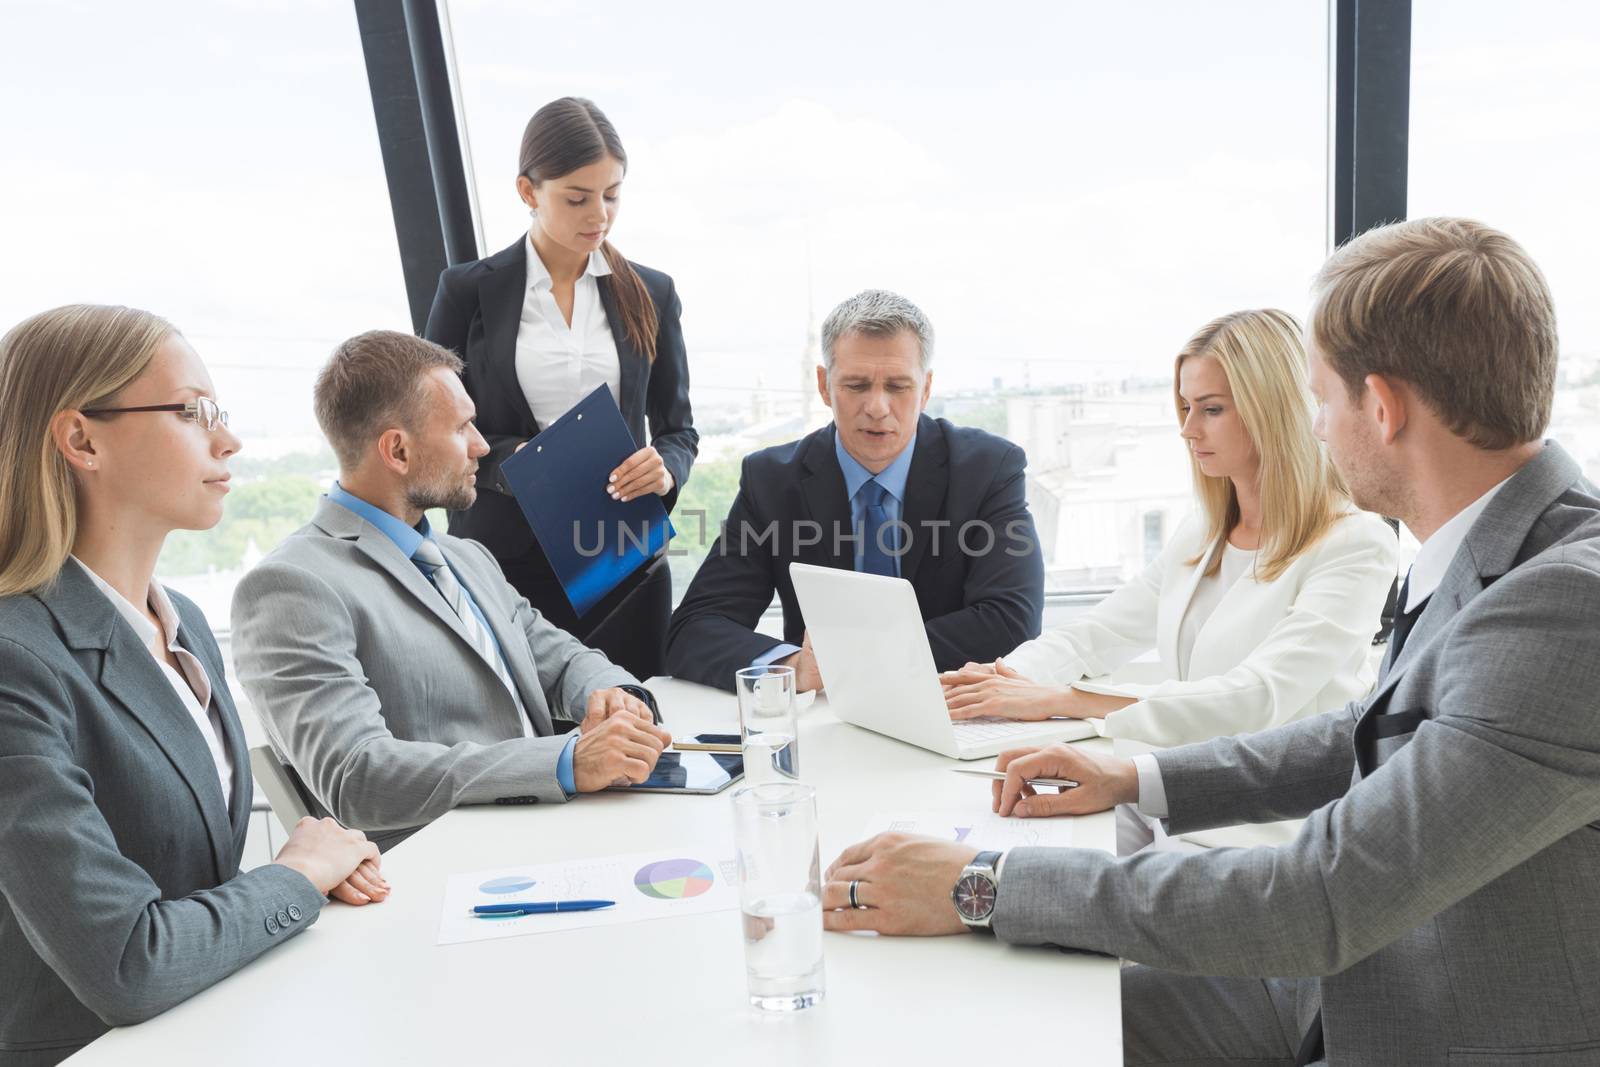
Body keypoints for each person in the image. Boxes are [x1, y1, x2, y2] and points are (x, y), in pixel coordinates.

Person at [817, 219, 1600, 1065]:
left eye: (1321, 401)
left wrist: (985, 885)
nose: (1318, 429)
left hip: (1426, 1024)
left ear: (1382, 406)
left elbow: (1319, 896)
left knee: (1021, 1011)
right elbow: (1368, 729)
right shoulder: (1492, 548)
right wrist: (1136, 776)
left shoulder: (1563, 604)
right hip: (1353, 976)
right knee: (1013, 1005)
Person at [0, 306, 385, 1066]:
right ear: (81, 439)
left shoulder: (189, 628)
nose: (228, 439)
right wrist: (296, 874)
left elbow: (186, 878)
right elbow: (128, 962)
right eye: (191, 410)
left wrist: (306, 879)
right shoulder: (18, 661)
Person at [941, 309, 1396, 849]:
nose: (1187, 429)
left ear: (1271, 410)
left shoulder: (1355, 543)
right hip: (1171, 798)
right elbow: (1097, 635)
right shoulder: (1202, 531)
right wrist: (996, 683)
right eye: (1185, 407)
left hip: (1269, 827)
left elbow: (1255, 696)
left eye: (1211, 409)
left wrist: (1066, 699)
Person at [231, 330, 674, 853]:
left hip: (556, 837)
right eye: (462, 427)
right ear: (397, 449)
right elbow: (357, 776)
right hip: (447, 872)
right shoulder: (291, 586)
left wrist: (620, 700)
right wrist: (565, 761)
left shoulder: (468, 556)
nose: (483, 446)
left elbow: (561, 658)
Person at [423, 96, 696, 681]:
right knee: (534, 739)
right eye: (577, 197)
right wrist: (510, 462)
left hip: (620, 555)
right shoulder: (467, 292)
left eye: (612, 194)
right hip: (505, 560)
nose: (598, 214)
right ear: (528, 192)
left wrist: (667, 468)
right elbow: (432, 422)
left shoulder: (652, 292)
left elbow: (679, 429)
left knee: (638, 723)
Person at [665, 288, 1044, 693]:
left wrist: (853, 658)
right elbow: (695, 629)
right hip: (827, 716)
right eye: (857, 385)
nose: (878, 407)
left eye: (898, 386)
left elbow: (1011, 620)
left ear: (926, 388)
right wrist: (792, 666)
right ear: (824, 385)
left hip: (949, 703)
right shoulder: (773, 480)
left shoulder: (988, 468)